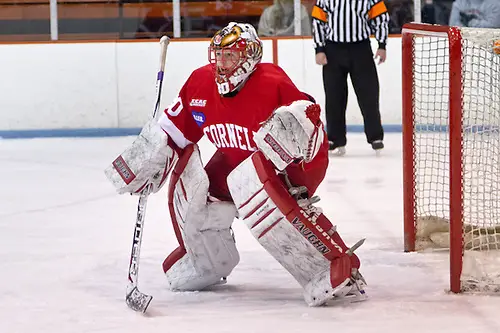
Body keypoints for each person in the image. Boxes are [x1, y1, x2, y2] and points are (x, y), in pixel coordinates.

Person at [105, 22, 366, 306]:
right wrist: (149, 157)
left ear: (250, 56)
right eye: (219, 55)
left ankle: (329, 264)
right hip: (235, 160)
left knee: (252, 185)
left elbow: (307, 123)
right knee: (195, 190)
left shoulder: (271, 82)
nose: (222, 63)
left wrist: (297, 123)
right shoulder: (200, 84)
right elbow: (173, 130)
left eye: (231, 55)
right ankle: (206, 261)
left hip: (290, 168)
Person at [312, 0, 390, 156]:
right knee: (334, 97)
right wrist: (319, 48)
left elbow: (381, 18)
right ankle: (335, 139)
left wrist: (382, 45)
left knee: (369, 94)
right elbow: (318, 22)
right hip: (333, 49)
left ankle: (375, 137)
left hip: (360, 48)